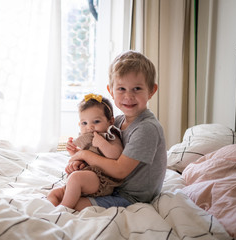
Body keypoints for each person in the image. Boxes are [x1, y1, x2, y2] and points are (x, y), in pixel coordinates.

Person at [65, 50, 167, 211]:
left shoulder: (147, 128)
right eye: (121, 89)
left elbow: (119, 170)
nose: (128, 96)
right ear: (111, 90)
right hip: (111, 186)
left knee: (71, 204)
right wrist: (79, 160)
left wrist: (84, 154)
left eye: (137, 88)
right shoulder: (117, 121)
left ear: (151, 91)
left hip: (130, 197)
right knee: (62, 193)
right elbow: (99, 153)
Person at [47, 94, 124, 208]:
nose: (89, 127)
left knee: (75, 178)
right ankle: (48, 210)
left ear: (110, 121)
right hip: (87, 177)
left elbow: (116, 155)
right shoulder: (87, 138)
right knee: (54, 193)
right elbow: (84, 156)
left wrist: (102, 144)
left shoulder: (110, 136)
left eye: (96, 121)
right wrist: (74, 152)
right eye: (84, 123)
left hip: (102, 180)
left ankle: (63, 208)